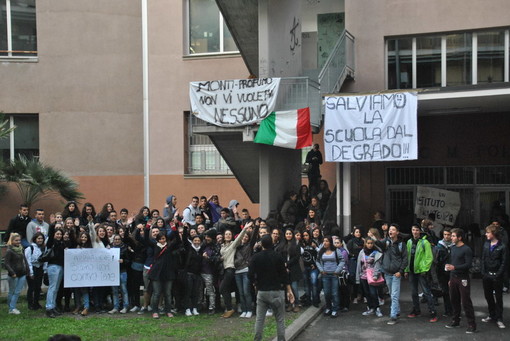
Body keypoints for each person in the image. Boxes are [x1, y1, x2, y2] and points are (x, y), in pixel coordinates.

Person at [249, 234, 295, 341]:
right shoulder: (278, 256)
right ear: (272, 243)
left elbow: (250, 274)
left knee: (260, 319)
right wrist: (289, 290)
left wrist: (255, 283)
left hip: (262, 291)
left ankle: (257, 339)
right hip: (276, 290)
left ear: (261, 244)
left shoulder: (256, 257)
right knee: (280, 319)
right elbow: (284, 275)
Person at [444, 228, 476, 333]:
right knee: (454, 300)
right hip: (453, 278)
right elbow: (451, 262)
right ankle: (455, 320)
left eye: (453, 236)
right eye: (451, 236)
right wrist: (450, 278)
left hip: (463, 278)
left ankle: (472, 325)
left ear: (460, 237)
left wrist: (455, 267)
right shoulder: (452, 248)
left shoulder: (466, 249)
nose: (451, 238)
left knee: (466, 301)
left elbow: (468, 264)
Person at [404, 224, 437, 322]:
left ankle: (432, 312)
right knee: (414, 292)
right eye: (413, 230)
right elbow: (407, 257)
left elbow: (429, 257)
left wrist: (424, 269)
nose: (415, 232)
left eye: (417, 230)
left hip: (421, 271)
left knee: (426, 292)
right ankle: (416, 310)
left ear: (420, 231)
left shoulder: (425, 242)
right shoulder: (409, 242)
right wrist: (406, 270)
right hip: (412, 271)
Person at [219, 223, 252, 318]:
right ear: (224, 236)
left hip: (230, 269)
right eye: (226, 234)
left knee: (222, 288)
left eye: (229, 234)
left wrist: (244, 229)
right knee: (225, 289)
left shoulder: (233, 245)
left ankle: (230, 308)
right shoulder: (222, 246)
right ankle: (229, 308)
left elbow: (239, 238)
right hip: (224, 270)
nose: (228, 236)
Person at [481, 224, 507, 329]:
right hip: (487, 274)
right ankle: (492, 315)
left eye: (488, 232)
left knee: (499, 297)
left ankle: (499, 318)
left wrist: (498, 274)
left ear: (494, 234)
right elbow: (483, 259)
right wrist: (483, 272)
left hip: (497, 275)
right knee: (488, 296)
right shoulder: (486, 244)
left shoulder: (502, 246)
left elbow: (504, 262)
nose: (486, 234)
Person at [381, 224, 407, 325]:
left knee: (394, 295)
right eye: (389, 230)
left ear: (397, 232)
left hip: (396, 273)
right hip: (387, 272)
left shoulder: (401, 245)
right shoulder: (386, 242)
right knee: (392, 293)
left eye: (393, 230)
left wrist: (400, 271)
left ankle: (393, 316)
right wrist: (383, 233)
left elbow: (405, 259)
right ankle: (397, 311)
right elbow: (378, 243)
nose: (390, 231)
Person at [356, 238, 383, 317]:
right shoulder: (362, 252)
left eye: (371, 243)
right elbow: (359, 264)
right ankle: (371, 308)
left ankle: (377, 308)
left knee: (373, 292)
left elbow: (378, 265)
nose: (370, 245)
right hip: (363, 275)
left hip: (372, 276)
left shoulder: (376, 253)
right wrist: (358, 277)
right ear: (365, 244)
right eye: (368, 243)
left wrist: (375, 275)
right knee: (367, 293)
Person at [5, 233, 30, 314]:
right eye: (16, 240)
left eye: (19, 240)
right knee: (12, 291)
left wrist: (27, 270)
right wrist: (12, 273)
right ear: (12, 241)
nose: (18, 242)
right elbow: (6, 263)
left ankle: (12, 307)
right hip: (13, 274)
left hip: (22, 273)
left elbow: (25, 260)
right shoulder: (9, 251)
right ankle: (11, 307)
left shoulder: (21, 249)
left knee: (17, 291)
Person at [25, 232, 46, 310]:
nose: (40, 240)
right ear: (35, 239)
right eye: (38, 238)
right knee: (31, 287)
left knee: (38, 287)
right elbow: (28, 260)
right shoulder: (30, 248)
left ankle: (36, 303)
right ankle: (30, 304)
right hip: (32, 268)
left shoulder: (42, 248)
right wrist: (31, 272)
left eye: (41, 238)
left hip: (39, 268)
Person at [435, 227, 453, 317]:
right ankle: (447, 310)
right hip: (442, 272)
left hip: (453, 271)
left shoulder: (454, 245)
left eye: (448, 235)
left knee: (454, 291)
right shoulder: (439, 246)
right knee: (445, 291)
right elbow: (437, 260)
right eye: (445, 235)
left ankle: (454, 310)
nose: (446, 236)